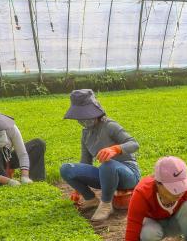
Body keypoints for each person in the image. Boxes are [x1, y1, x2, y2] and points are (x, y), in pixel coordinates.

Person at [59, 89, 140, 222]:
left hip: (128, 174)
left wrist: (116, 149)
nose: (83, 120)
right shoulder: (86, 134)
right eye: (80, 117)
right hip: (106, 175)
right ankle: (91, 200)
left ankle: (106, 204)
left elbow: (134, 144)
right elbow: (85, 162)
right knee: (67, 169)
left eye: (86, 115)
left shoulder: (110, 126)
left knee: (107, 164)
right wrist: (78, 189)